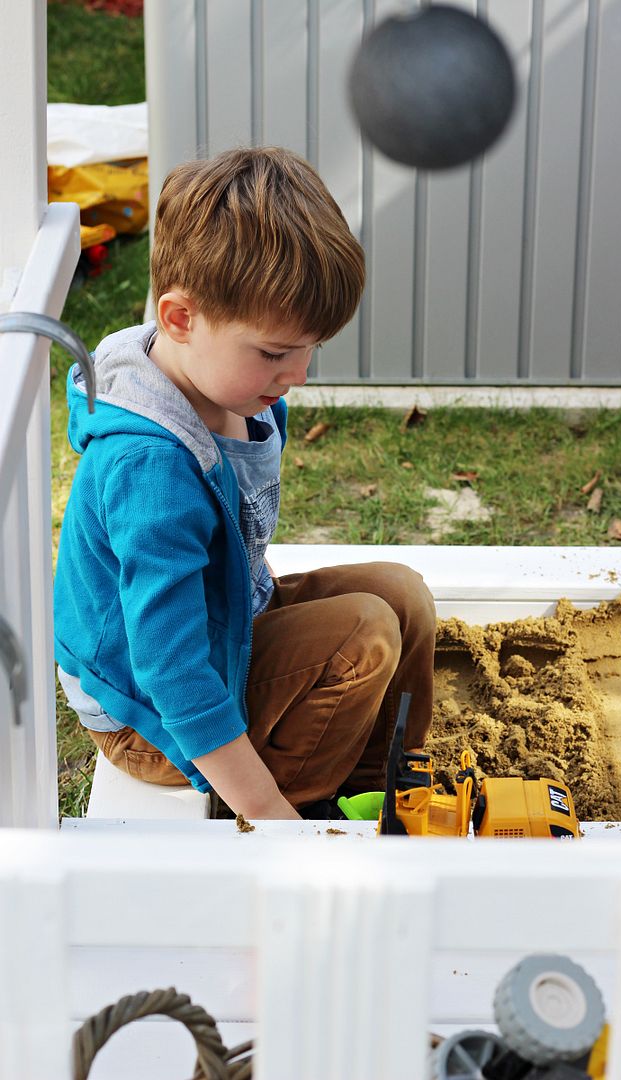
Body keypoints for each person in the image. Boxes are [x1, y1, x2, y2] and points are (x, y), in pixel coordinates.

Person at [54, 146, 437, 820]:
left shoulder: (225, 383)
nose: (299, 375)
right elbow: (168, 668)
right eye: (275, 353)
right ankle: (304, 806)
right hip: (149, 718)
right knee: (363, 637)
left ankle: (384, 780)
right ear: (180, 318)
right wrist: (268, 814)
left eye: (308, 349)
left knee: (400, 595)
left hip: (228, 630)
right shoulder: (151, 471)